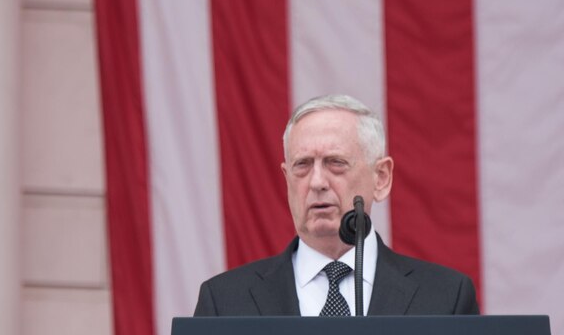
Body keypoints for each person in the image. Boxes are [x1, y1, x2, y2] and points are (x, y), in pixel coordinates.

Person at [195, 94, 479, 317]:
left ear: (381, 178)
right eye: (302, 165)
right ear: (286, 179)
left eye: (336, 163)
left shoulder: (444, 298)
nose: (317, 181)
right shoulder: (225, 303)